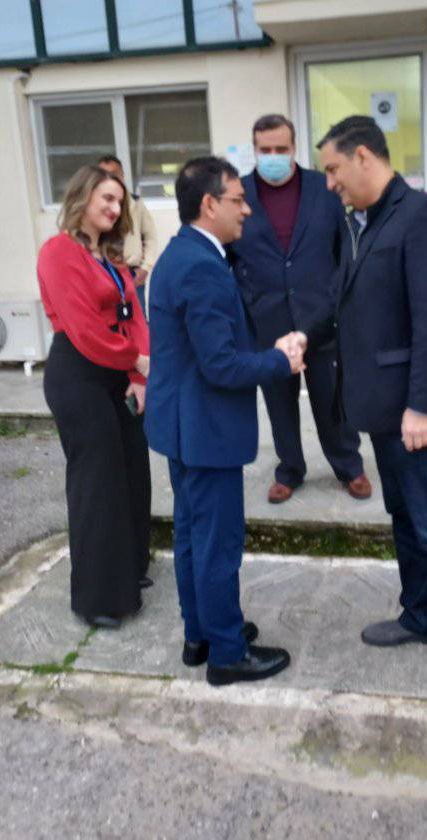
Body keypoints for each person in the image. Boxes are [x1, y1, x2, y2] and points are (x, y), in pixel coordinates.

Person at [293, 115, 427, 706]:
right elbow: (341, 299)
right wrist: (305, 336)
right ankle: (423, 614)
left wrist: (422, 407)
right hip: (384, 410)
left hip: (416, 414)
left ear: (364, 156)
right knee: (407, 517)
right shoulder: (363, 221)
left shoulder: (421, 216)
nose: (329, 182)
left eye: (333, 169)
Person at [144, 156, 297, 686]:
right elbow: (222, 366)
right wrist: (280, 360)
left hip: (183, 427)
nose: (247, 209)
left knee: (192, 537)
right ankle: (227, 653)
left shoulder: (182, 254)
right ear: (209, 204)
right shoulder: (202, 267)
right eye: (238, 200)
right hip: (205, 429)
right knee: (217, 545)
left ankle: (202, 634)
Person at [230, 113, 370, 505]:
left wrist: (338, 303)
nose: (273, 156)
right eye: (266, 149)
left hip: (321, 318)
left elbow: (344, 252)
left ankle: (349, 465)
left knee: (332, 399)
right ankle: (290, 469)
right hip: (267, 321)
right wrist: (247, 302)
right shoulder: (238, 194)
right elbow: (228, 255)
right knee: (279, 403)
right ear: (254, 150)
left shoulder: (324, 189)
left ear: (294, 148)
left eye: (281, 148)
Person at [37, 165, 151, 629]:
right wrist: (133, 358)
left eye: (119, 201)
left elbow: (133, 315)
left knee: (133, 470)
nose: (115, 207)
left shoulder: (109, 255)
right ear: (82, 197)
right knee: (97, 482)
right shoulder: (58, 252)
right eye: (106, 198)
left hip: (118, 371)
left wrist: (138, 373)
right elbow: (83, 327)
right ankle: (97, 597)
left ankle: (129, 570)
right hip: (78, 374)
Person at [97, 154, 158, 317]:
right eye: (104, 175)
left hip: (132, 274)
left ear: (122, 176)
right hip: (103, 273)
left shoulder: (135, 203)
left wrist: (145, 268)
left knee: (137, 320)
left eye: (114, 174)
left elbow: (150, 237)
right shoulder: (93, 207)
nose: (109, 179)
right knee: (109, 320)